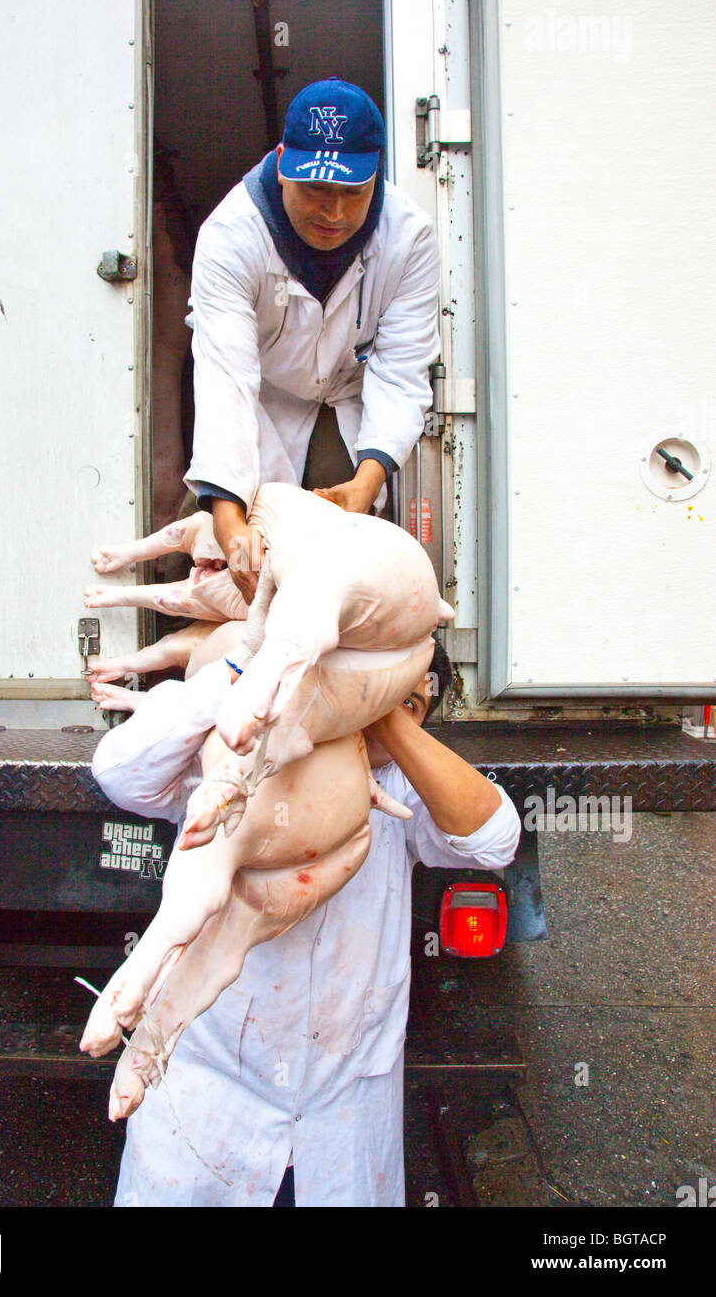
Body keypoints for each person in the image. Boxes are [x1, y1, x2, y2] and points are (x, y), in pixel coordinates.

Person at [92, 638, 521, 1208]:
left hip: (342, 1108)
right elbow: (120, 773)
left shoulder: (398, 789)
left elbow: (498, 839)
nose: (373, 708)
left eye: (410, 705)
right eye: (361, 687)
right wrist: (257, 669)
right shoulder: (241, 752)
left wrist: (380, 710)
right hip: (214, 1097)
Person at [184, 77, 441, 602]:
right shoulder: (232, 234)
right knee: (215, 552)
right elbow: (226, 377)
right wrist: (230, 523)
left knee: (348, 568)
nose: (334, 213)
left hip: (350, 397)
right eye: (316, 189)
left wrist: (365, 484)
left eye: (352, 193)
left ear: (378, 174)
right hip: (261, 399)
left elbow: (400, 372)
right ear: (282, 162)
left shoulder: (409, 237)